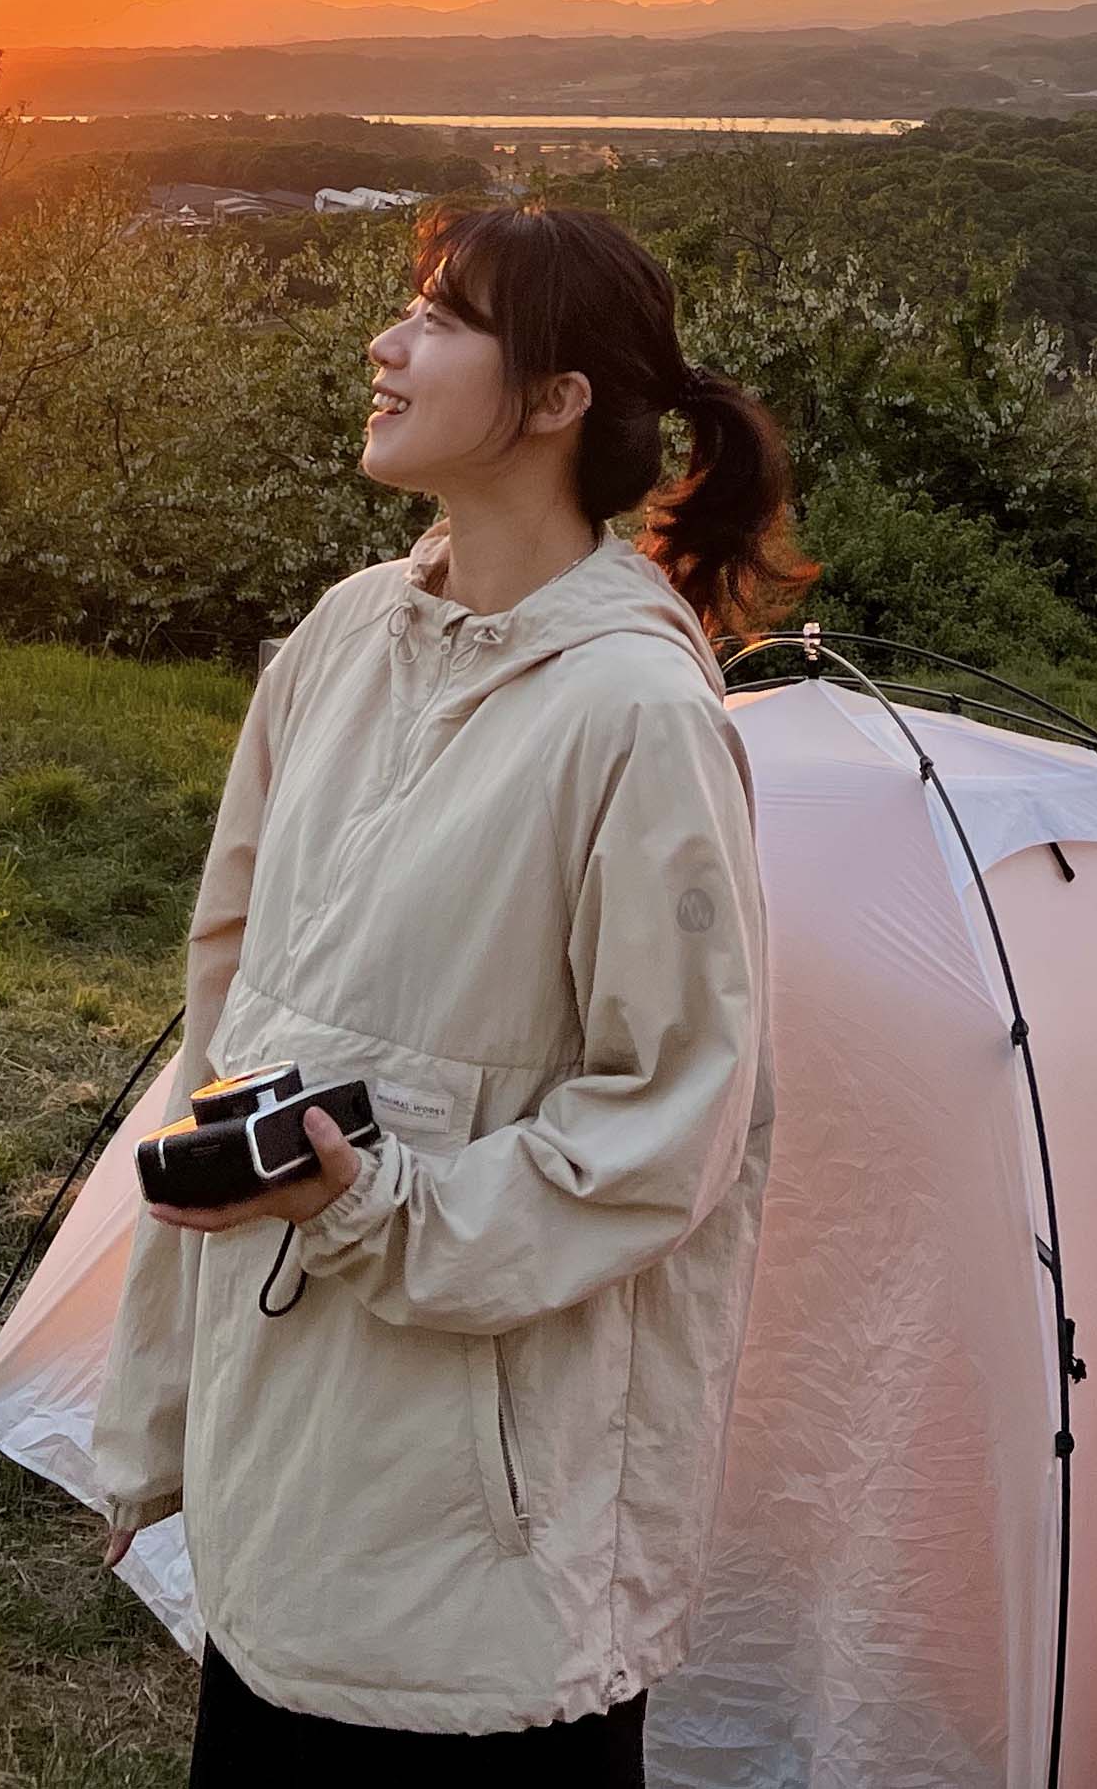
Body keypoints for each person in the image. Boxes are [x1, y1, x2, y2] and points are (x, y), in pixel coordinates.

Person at [93, 201, 806, 1784]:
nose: (387, 342)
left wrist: (379, 1207)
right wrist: (158, 1412)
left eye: (441, 316)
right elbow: (227, 1027)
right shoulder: (344, 637)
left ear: (556, 398)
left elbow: (673, 1129)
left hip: (492, 1579)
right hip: (290, 1499)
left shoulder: (638, 714)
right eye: (406, 303)